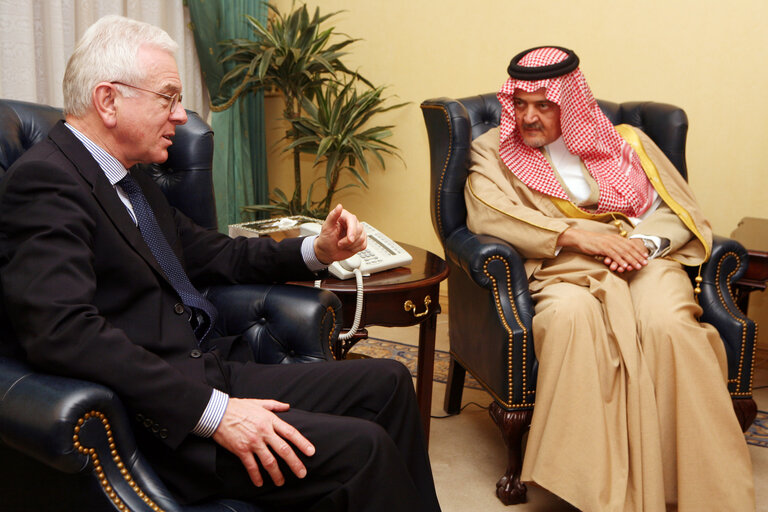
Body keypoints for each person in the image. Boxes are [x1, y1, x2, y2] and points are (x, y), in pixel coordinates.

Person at [0, 15, 441, 512]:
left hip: (208, 371)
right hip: (157, 420)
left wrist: (316, 251)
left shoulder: (130, 178)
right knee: (363, 450)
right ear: (108, 100)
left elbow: (215, 252)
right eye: (168, 98)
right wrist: (216, 414)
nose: (182, 116)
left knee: (388, 382)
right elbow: (63, 332)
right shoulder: (45, 181)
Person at [464, 46, 754, 511]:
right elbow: (488, 214)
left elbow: (676, 209)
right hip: (562, 268)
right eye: (520, 105)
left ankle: (695, 483)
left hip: (642, 260)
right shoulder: (491, 152)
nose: (528, 118)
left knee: (669, 326)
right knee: (569, 321)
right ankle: (594, 490)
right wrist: (577, 235)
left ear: (571, 102)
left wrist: (642, 246)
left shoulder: (626, 142)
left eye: (543, 105)